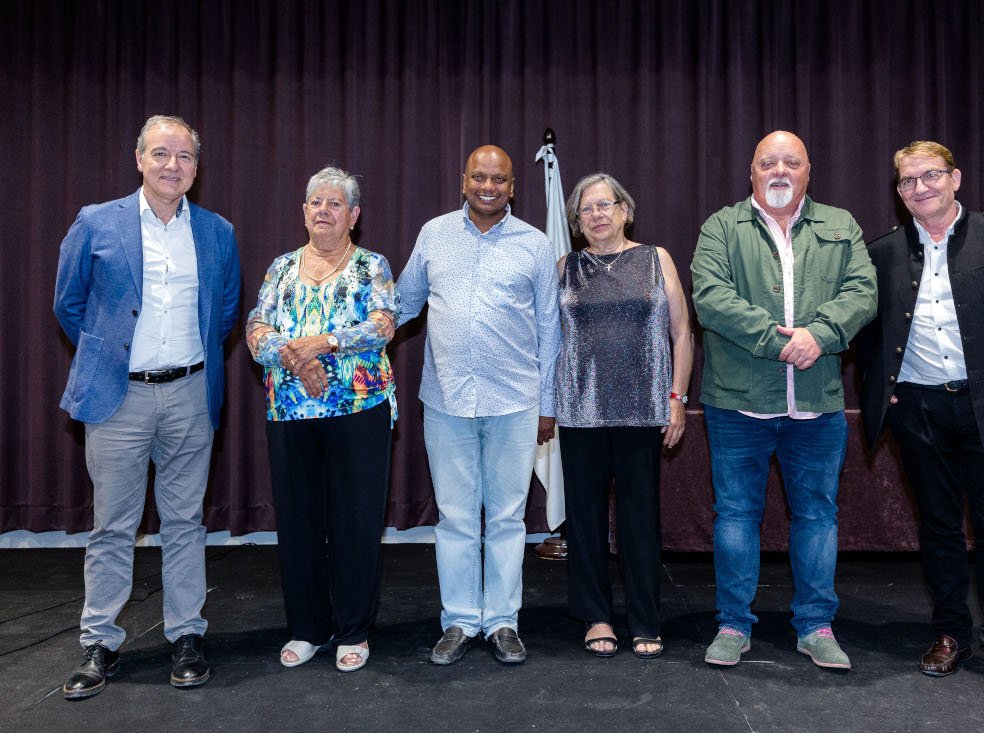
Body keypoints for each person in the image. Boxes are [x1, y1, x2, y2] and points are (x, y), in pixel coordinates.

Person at [856, 141, 984, 702]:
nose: (919, 188)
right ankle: (950, 634)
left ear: (956, 179)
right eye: (907, 181)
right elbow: (870, 342)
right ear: (898, 192)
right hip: (919, 410)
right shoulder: (883, 253)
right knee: (939, 529)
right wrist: (885, 401)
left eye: (930, 176)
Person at [53, 115, 242, 698]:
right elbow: (70, 305)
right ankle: (100, 642)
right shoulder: (95, 222)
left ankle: (186, 634)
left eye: (184, 157)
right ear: (138, 159)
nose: (172, 166)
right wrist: (113, 355)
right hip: (118, 396)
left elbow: (226, 313)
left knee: (186, 523)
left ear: (196, 167)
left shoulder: (217, 232)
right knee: (112, 526)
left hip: (190, 393)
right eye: (160, 154)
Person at [691, 130, 877, 670]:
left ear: (808, 171)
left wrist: (820, 335)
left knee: (817, 515)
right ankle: (733, 625)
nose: (779, 171)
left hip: (816, 404)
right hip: (738, 403)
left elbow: (862, 292)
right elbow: (711, 299)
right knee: (735, 516)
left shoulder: (841, 225)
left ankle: (816, 626)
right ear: (751, 172)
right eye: (767, 162)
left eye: (790, 162)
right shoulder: (721, 227)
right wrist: (783, 342)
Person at [396, 145, 560, 665]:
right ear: (463, 180)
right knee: (456, 516)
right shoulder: (433, 234)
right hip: (446, 399)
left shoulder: (534, 245)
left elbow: (551, 331)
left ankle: (504, 621)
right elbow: (402, 303)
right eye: (479, 177)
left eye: (499, 179)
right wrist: (343, 333)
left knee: (509, 517)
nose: (488, 186)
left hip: (515, 401)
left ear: (513, 187)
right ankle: (461, 620)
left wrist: (547, 404)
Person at [245, 167, 397, 673]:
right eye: (316, 203)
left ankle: (353, 629)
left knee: (355, 522)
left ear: (353, 215)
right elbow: (256, 327)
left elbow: (382, 324)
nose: (324, 211)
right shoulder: (281, 267)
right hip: (290, 409)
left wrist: (325, 343)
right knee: (299, 522)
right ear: (303, 211)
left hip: (358, 409)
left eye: (335, 204)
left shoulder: (371, 265)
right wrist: (296, 359)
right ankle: (308, 628)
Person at [555, 173, 693, 659]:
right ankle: (596, 617)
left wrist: (676, 396)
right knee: (586, 520)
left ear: (624, 210)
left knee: (640, 521)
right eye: (585, 210)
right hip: (579, 410)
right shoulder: (563, 268)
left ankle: (644, 620)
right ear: (577, 222)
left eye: (604, 205)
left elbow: (682, 333)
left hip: (642, 411)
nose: (595, 215)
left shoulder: (657, 259)